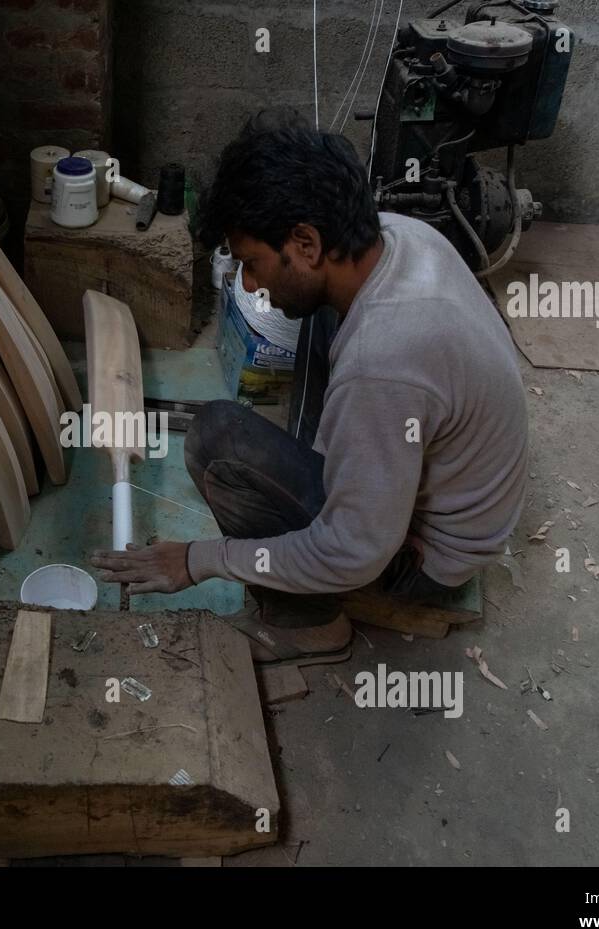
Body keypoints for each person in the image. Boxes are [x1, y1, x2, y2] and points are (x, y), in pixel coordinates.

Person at [90, 110, 528, 662]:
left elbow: (355, 553)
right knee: (315, 307)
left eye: (252, 262)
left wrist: (198, 559)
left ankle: (307, 624)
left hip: (421, 560)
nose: (248, 283)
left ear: (305, 241)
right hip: (448, 494)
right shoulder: (398, 236)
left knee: (217, 439)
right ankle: (322, 477)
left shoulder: (384, 361)